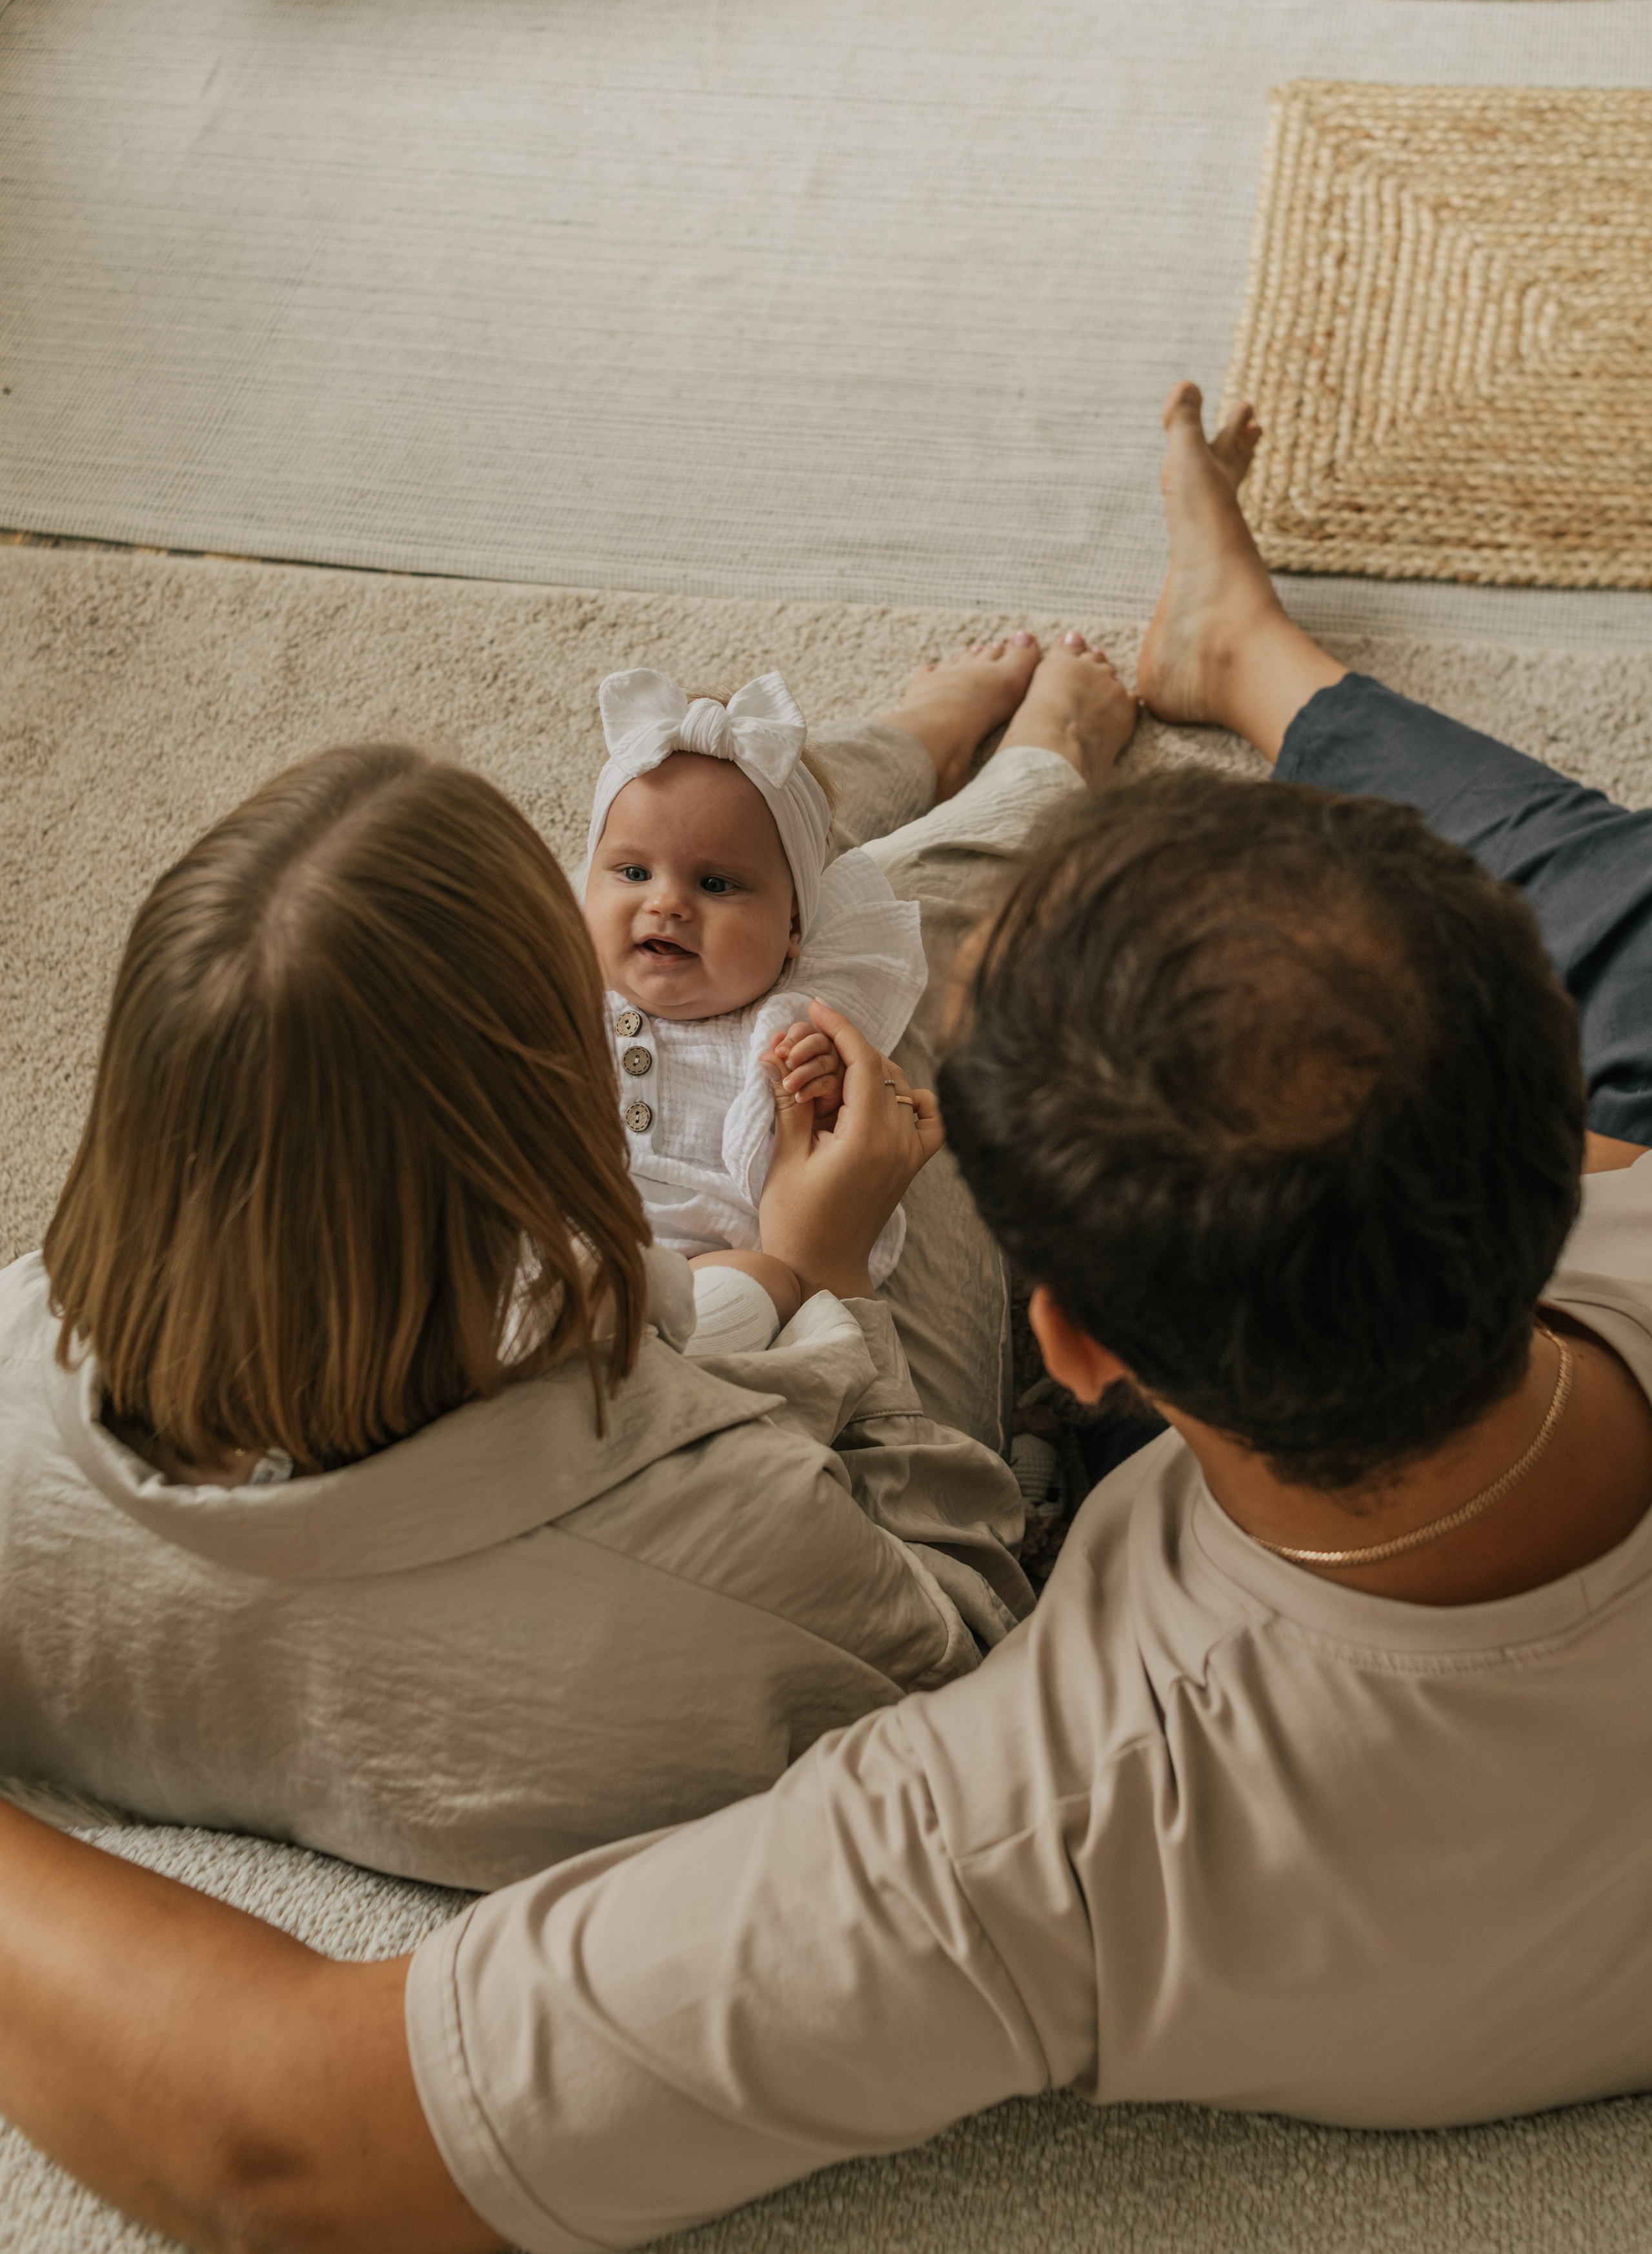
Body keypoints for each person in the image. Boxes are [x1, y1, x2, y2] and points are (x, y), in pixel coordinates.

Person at [5, 381, 1652, 2254]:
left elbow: (271, 2137)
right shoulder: (1607, 1174)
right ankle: (1251, 656)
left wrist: (815, 1273)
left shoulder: (1028, 1832)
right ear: (1566, 1117)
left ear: (1078, 1349)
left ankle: (1240, 659)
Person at [0, 640, 1134, 1891]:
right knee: (876, 1001)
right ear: (563, 1105)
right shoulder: (746, 1565)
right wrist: (828, 1273)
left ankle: (881, 755)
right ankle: (1023, 773)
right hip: (757, 1340)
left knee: (713, 886)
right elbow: (959, 1650)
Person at [583, 661, 930, 1347]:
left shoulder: (778, 1034)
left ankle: (942, 740)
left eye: (715, 883)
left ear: (794, 931)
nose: (667, 902)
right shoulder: (559, 994)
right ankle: (933, 738)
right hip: (562, 1257)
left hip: (699, 1272)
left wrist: (820, 1093)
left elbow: (832, 1192)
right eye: (631, 872)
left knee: (763, 1279)